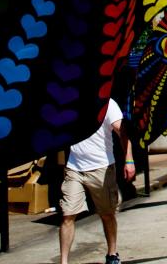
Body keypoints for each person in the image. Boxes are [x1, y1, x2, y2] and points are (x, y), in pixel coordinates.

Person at [59, 97, 136, 264]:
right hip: (74, 167)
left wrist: (129, 160)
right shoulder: (72, 100)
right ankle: (63, 261)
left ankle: (112, 254)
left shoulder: (108, 104)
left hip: (102, 168)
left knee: (107, 214)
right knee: (67, 215)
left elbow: (122, 131)